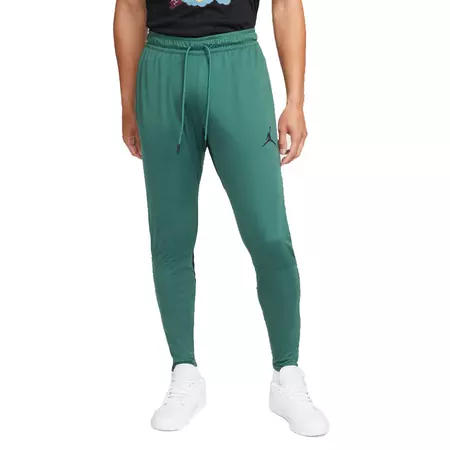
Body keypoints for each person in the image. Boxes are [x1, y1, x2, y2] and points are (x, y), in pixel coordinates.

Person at [114, 0, 329, 437]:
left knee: (269, 234)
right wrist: (128, 102)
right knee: (170, 235)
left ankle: (287, 374)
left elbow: (286, 5)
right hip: (163, 66)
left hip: (238, 63)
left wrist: (295, 101)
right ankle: (184, 371)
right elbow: (131, 7)